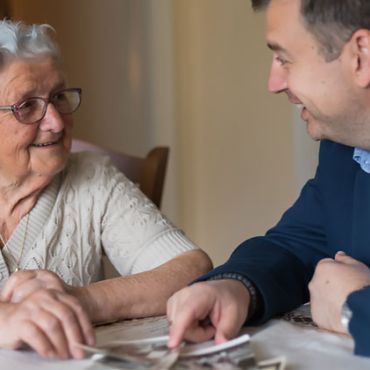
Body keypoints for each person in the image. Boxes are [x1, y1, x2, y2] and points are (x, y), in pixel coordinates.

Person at [167, 0, 370, 357]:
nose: (274, 83)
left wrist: (355, 308)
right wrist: (234, 287)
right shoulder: (344, 148)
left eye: (285, 58)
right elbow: (298, 244)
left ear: (361, 56)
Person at [0, 19, 212, 360]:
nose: (55, 121)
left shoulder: (93, 179)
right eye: (27, 105)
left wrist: (80, 300)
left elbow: (192, 269)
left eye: (58, 96)